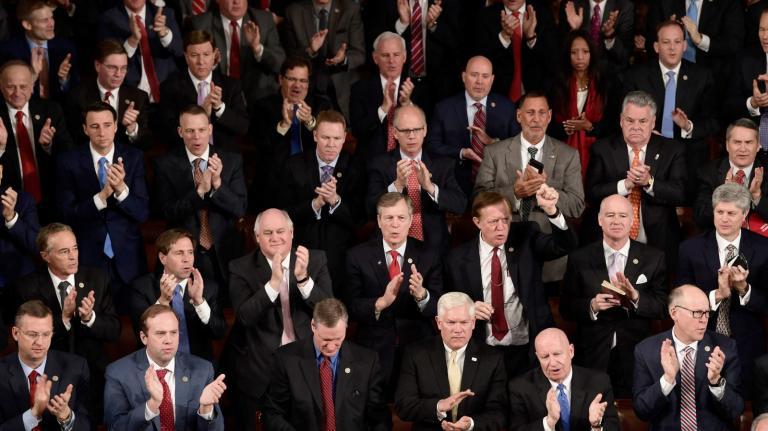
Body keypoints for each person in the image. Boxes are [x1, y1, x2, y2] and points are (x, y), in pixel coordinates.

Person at [443, 190, 576, 377]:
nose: (501, 227)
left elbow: (565, 246)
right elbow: (448, 302)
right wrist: (468, 308)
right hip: (483, 350)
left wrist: (552, 211)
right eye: (493, 222)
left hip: (527, 349)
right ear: (477, 222)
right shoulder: (456, 260)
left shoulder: (526, 237)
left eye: (505, 220)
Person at [224, 208, 332, 428]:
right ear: (257, 237)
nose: (275, 238)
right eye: (268, 233)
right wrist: (273, 285)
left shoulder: (315, 259)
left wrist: (303, 280)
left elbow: (329, 313)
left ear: (291, 233)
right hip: (261, 367)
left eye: (281, 231)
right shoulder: (240, 267)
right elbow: (244, 317)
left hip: (306, 361)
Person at [561, 194, 668, 397]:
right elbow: (566, 307)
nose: (616, 221)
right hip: (593, 352)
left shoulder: (653, 257)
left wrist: (636, 298)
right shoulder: (579, 258)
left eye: (622, 215)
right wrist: (592, 306)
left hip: (636, 352)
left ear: (632, 220)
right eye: (610, 215)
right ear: (600, 220)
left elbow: (662, 307)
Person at [13, 222, 120, 423]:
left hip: (92, 373)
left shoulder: (97, 279)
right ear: (46, 256)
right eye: (64, 251)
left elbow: (114, 331)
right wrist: (63, 319)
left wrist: (89, 318)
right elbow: (28, 340)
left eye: (75, 248)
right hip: (49, 376)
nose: (73, 256)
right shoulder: (27, 288)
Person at [474, 91, 583, 282]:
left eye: (542, 113)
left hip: (550, 255)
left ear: (549, 116)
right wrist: (514, 193)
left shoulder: (568, 155)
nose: (536, 119)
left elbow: (576, 206)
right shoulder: (494, 152)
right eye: (530, 112)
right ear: (519, 116)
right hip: (504, 248)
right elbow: (478, 200)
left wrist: (548, 193)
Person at [678, 183, 768, 397]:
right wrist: (716, 295)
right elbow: (679, 300)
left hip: (747, 343)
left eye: (731, 213)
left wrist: (744, 289)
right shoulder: (690, 248)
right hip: (701, 339)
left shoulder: (764, 249)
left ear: (744, 214)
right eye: (719, 212)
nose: (724, 219)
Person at [345, 192, 442, 386]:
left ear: (410, 220)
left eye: (401, 218)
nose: (395, 224)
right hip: (373, 347)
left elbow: (439, 306)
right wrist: (380, 303)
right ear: (379, 221)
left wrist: (422, 296)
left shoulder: (429, 255)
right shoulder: (357, 256)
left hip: (417, 345)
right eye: (389, 218)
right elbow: (351, 306)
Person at [584, 90, 687, 270]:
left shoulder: (672, 150)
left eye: (643, 121)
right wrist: (625, 185)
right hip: (610, 239)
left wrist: (649, 182)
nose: (636, 127)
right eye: (630, 121)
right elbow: (591, 193)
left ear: (653, 122)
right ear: (621, 120)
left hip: (658, 239)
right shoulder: (602, 148)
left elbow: (681, 193)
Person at [55, 102, 149, 295]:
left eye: (107, 125)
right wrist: (101, 197)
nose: (102, 132)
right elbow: (67, 214)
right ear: (85, 129)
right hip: (88, 258)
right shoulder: (68, 161)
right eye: (94, 126)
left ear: (115, 126)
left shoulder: (134, 157)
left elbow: (142, 213)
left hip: (128, 258)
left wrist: (121, 189)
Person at [154, 104, 247, 292]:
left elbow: (239, 208)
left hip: (224, 252)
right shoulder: (165, 164)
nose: (196, 137)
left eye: (202, 130)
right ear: (180, 132)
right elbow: (167, 212)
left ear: (210, 129)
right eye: (190, 131)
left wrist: (218, 184)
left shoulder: (231, 161)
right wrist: (199, 192)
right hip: (185, 256)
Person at [623, 19, 718, 200]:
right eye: (666, 42)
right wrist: (644, 132)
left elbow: (714, 122)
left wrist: (688, 126)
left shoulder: (702, 76)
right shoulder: (637, 76)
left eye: (677, 42)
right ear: (656, 47)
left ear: (685, 45)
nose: (672, 48)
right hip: (646, 150)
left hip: (688, 153)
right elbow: (622, 117)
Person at [262, 298, 391, 430]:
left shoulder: (367, 361)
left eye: (338, 339)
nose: (331, 347)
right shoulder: (286, 359)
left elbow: (380, 418)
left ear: (346, 327)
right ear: (313, 326)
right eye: (325, 339)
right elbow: (272, 414)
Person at [278, 110, 365, 296]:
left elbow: (359, 218)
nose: (331, 144)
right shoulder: (294, 164)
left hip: (341, 257)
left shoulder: (356, 167)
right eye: (326, 137)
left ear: (344, 138)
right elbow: (283, 214)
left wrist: (335, 201)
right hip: (301, 253)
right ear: (315, 135)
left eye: (337, 138)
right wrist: (315, 204)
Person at [633, 285, 744, 430]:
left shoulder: (725, 347)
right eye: (697, 313)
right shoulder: (646, 350)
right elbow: (641, 411)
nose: (704, 320)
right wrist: (667, 380)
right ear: (674, 313)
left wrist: (716, 382)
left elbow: (736, 411)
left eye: (707, 313)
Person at [394, 292, 507, 430]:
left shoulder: (492, 358)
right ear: (439, 322)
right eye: (451, 322)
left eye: (464, 322)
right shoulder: (415, 354)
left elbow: (499, 412)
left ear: (473, 323)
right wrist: (439, 406)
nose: (458, 330)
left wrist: (470, 424)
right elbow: (404, 406)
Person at [104, 304, 226, 430]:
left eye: (173, 332)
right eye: (160, 333)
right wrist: (151, 406)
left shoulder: (202, 370)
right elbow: (115, 427)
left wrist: (206, 409)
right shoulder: (118, 373)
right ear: (144, 338)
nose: (169, 340)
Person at [366, 104, 466, 253]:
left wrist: (430, 188)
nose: (411, 136)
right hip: (392, 244)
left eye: (417, 130)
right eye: (405, 130)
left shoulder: (443, 164)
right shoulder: (380, 164)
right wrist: (397, 186)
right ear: (395, 132)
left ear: (425, 130)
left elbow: (460, 205)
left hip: (434, 246)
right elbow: (369, 208)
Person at [428, 56, 520, 198]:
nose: (479, 81)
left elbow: (517, 146)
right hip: (455, 185)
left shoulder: (506, 107)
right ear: (464, 77)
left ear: (492, 79)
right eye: (474, 75)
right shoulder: (444, 108)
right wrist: (461, 152)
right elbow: (432, 145)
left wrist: (492, 142)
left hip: (496, 186)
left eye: (485, 76)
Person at [128, 228, 227, 361]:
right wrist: (163, 302)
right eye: (179, 253)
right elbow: (141, 333)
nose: (187, 259)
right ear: (163, 258)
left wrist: (199, 302)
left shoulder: (208, 287)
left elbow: (219, 333)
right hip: (155, 364)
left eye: (190, 252)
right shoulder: (142, 287)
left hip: (197, 365)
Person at [251, 56, 331, 212]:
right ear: (281, 79)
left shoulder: (321, 105)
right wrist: (284, 124)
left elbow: (329, 143)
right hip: (275, 181)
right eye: (292, 79)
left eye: (303, 80)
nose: (297, 85)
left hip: (310, 180)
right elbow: (263, 146)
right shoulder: (263, 106)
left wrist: (310, 122)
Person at [0, 60, 73, 223]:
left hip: (51, 201)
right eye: (11, 87)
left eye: (23, 86)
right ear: (1, 86)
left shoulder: (51, 110)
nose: (17, 93)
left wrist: (48, 146)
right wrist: (0, 148)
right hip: (9, 205)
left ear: (32, 85)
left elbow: (69, 154)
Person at [0, 300, 90, 429]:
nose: (40, 342)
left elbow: (88, 425)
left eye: (46, 334)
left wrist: (66, 416)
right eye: (32, 334)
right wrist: (33, 414)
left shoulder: (76, 367)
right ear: (15, 333)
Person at [508, 327, 619, 431]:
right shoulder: (520, 388)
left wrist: (596, 426)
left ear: (571, 351)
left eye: (557, 354)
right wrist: (549, 422)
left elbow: (613, 427)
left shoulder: (598, 382)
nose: (552, 363)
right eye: (545, 357)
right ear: (537, 357)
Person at [159, 29, 249, 150]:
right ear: (186, 57)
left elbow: (243, 127)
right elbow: (166, 133)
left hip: (224, 155)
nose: (201, 62)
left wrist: (220, 107)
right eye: (194, 55)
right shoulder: (170, 87)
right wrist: (201, 114)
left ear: (214, 55)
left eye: (206, 55)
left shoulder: (231, 85)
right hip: (186, 155)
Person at [549, 30, 619, 179]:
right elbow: (547, 124)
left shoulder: (605, 83)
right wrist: (566, 128)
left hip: (597, 154)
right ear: (567, 55)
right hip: (560, 151)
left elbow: (613, 125)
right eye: (574, 52)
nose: (580, 57)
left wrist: (590, 127)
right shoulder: (556, 84)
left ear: (592, 54)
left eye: (585, 52)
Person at [189, 0, 286, 104]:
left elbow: (280, 65)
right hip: (219, 96)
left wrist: (257, 48)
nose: (236, 2)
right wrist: (212, 62)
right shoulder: (201, 24)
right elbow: (192, 66)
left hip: (259, 99)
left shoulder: (264, 20)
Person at [282, 0, 365, 118]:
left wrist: (343, 60)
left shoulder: (350, 9)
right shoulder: (294, 12)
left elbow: (359, 54)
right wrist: (310, 50)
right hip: (306, 89)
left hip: (340, 88)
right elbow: (289, 58)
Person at [350, 32, 425, 161]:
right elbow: (358, 131)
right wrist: (383, 109)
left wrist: (407, 105)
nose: (391, 61)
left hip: (409, 160)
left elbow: (425, 131)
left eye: (396, 55)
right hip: (371, 162)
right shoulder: (360, 89)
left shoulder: (420, 89)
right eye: (385, 55)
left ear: (404, 57)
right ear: (375, 58)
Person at [66, 39, 151, 149]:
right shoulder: (77, 96)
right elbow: (74, 139)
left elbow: (147, 143)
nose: (118, 74)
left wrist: (132, 128)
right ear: (97, 65)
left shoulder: (139, 97)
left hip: (126, 157)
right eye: (112, 68)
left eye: (123, 68)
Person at [97, 0, 184, 103]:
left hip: (167, 93)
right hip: (132, 96)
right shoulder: (109, 19)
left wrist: (164, 34)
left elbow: (179, 51)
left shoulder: (165, 14)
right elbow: (109, 60)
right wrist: (133, 40)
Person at [472, 0, 558, 102]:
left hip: (535, 96)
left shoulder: (542, 14)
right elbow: (480, 61)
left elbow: (552, 62)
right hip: (497, 96)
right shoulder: (486, 16)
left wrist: (531, 37)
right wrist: (504, 37)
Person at [694, 118, 768, 231]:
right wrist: (724, 196)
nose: (743, 149)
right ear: (727, 145)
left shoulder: (765, 171)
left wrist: (757, 196)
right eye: (737, 142)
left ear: (758, 146)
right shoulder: (708, 172)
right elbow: (700, 219)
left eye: (748, 142)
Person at [0, 0, 78, 102]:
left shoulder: (65, 48)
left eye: (52, 18)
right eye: (45, 20)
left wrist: (64, 79)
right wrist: (32, 75)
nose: (51, 24)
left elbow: (76, 91)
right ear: (27, 25)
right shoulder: (8, 51)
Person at [557, 0, 634, 70]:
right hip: (577, 72)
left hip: (611, 74)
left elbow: (624, 56)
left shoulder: (625, 7)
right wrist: (575, 31)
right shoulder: (570, 4)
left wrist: (609, 37)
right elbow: (560, 51)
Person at [0, 164, 39, 295]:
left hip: (17, 284)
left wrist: (11, 218)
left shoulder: (23, 200)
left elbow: (37, 245)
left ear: (1, 170)